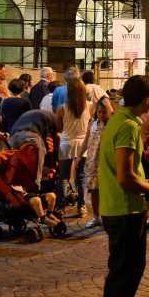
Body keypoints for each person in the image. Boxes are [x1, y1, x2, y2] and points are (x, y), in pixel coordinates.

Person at [96, 75, 149, 297]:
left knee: (122, 272)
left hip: (117, 206)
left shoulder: (119, 119)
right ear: (147, 99)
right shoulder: (127, 126)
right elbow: (125, 177)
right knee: (125, 273)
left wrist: (145, 183)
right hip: (124, 209)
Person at [57, 78, 91, 216]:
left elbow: (59, 127)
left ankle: (61, 207)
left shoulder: (62, 108)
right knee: (81, 177)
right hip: (83, 144)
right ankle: (81, 206)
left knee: (63, 177)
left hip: (66, 144)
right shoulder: (90, 106)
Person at [78, 96, 113, 229]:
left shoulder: (112, 124)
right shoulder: (92, 122)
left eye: (104, 112)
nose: (101, 115)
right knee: (93, 190)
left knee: (106, 190)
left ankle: (107, 216)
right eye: (99, 112)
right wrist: (78, 156)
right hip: (92, 161)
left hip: (106, 162)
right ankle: (96, 216)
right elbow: (86, 140)